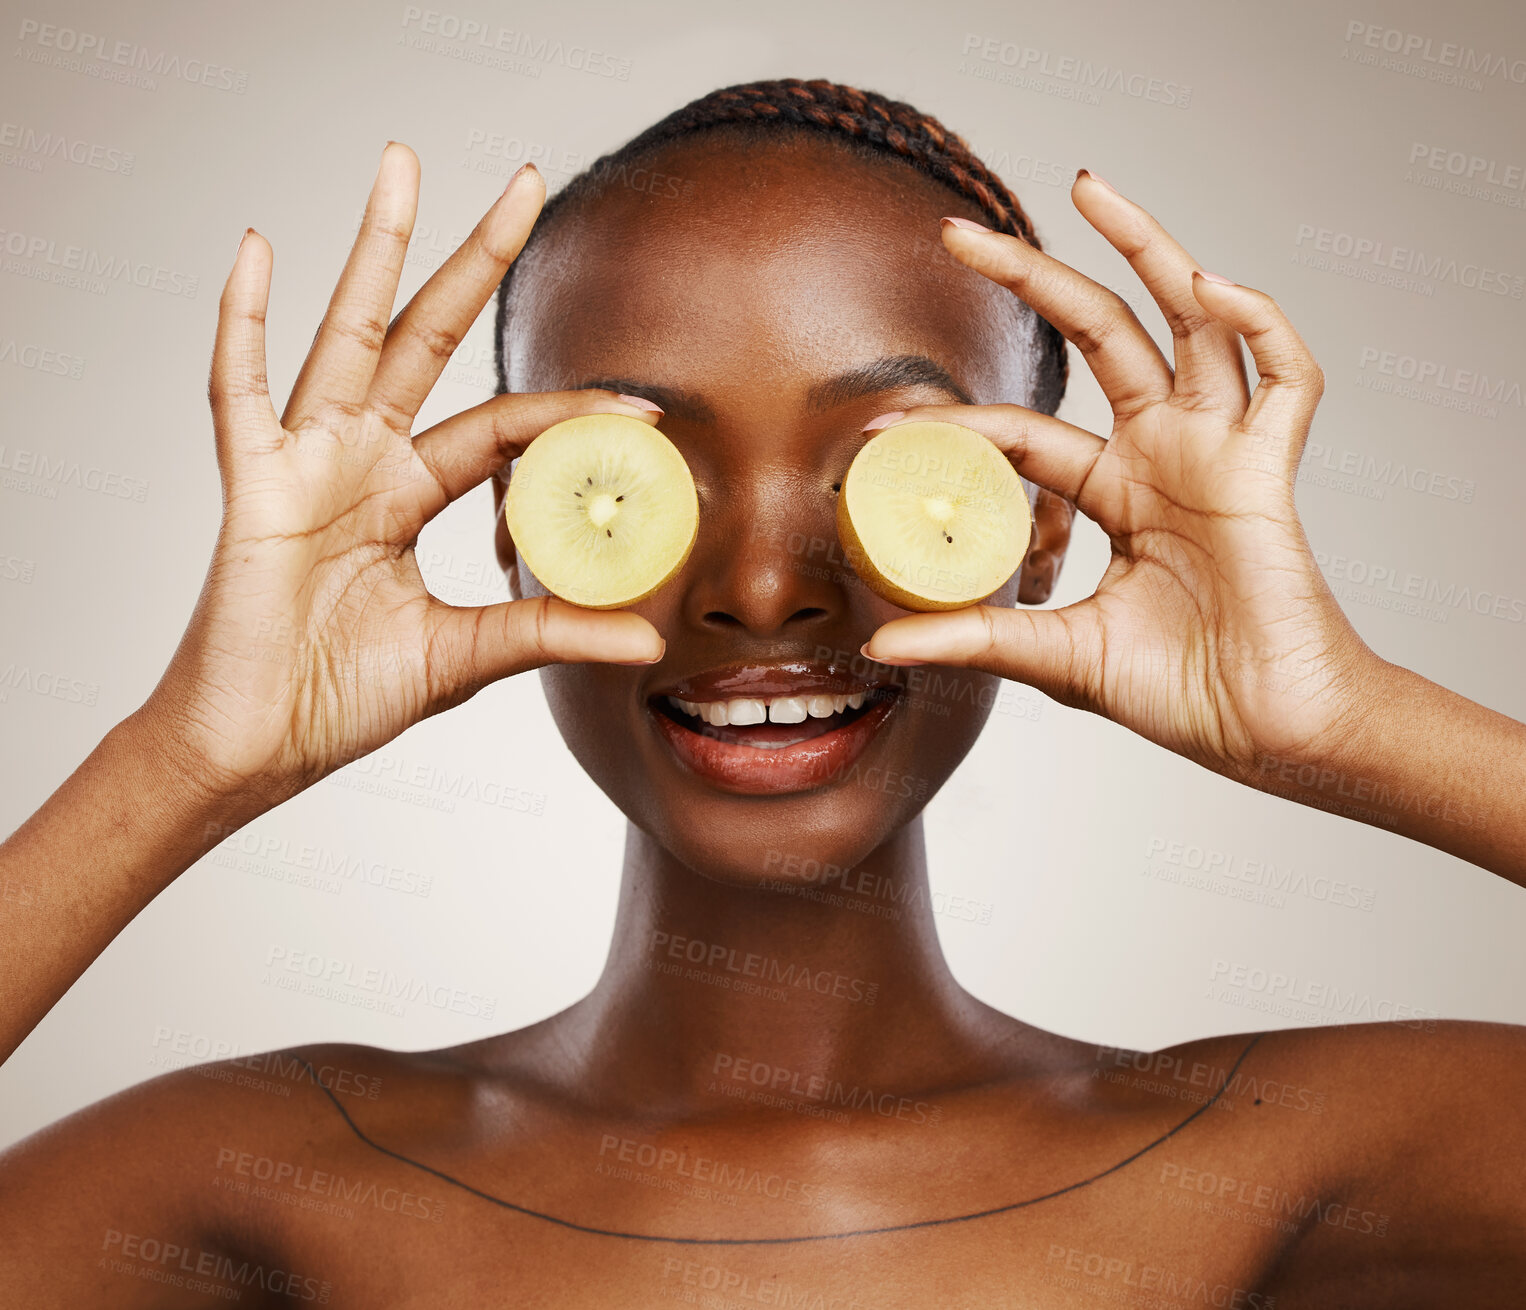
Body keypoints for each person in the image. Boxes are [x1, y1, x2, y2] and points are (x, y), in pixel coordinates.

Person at [1, 78, 1523, 1305]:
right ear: (519, 527)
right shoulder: (270, 1181)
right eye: (640, 468)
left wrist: (1346, 719)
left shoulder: (1274, 1168)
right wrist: (188, 755)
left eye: (885, 465)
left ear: (1042, 521)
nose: (759, 585)